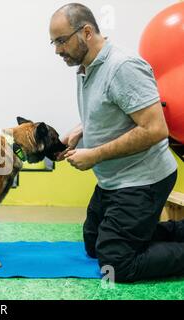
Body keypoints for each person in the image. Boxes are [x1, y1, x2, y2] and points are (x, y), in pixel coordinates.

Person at [49, 3, 184, 282]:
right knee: (93, 244)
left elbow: (156, 129)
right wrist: (79, 131)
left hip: (143, 180)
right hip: (114, 180)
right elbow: (113, 110)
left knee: (116, 263)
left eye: (61, 41)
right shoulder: (87, 66)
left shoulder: (123, 67)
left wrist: (95, 155)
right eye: (54, 42)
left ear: (86, 32)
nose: (57, 50)